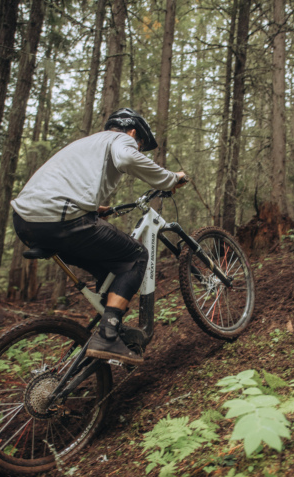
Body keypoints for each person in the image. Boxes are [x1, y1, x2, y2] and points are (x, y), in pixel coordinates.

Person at [11, 108, 187, 366]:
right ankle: (107, 334)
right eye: (139, 144)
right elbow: (127, 160)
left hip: (25, 220)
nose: (137, 148)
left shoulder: (85, 143)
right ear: (133, 132)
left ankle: (109, 326)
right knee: (136, 256)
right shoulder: (121, 139)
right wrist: (170, 179)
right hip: (60, 218)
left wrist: (92, 209)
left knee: (112, 268)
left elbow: (63, 182)